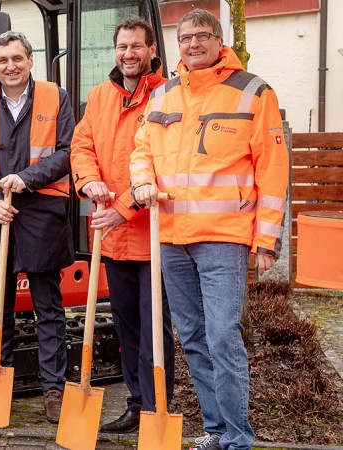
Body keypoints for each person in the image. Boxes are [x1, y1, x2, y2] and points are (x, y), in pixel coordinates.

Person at [131, 9, 288, 450]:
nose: (193, 44)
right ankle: (217, 432)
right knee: (195, 340)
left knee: (222, 337)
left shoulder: (253, 91)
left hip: (224, 237)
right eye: (185, 37)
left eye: (202, 36)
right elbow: (141, 151)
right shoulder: (162, 95)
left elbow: (273, 171)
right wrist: (142, 184)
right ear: (176, 45)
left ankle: (238, 439)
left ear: (220, 41)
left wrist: (266, 240)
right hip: (173, 238)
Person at [0, 31, 75, 424]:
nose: (10, 66)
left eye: (17, 59)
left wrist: (27, 178)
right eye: (3, 60)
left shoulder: (55, 97)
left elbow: (67, 151)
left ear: (31, 61)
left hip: (42, 213)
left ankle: (53, 390)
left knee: (49, 308)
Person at [71, 17, 175, 434]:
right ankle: (136, 403)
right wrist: (88, 179)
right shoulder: (100, 96)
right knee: (126, 324)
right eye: (122, 47)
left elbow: (167, 164)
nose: (128, 54)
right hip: (113, 239)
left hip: (154, 234)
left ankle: (156, 406)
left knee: (155, 328)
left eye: (136, 47)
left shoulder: (169, 96)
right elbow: (82, 145)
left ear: (152, 51)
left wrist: (124, 208)